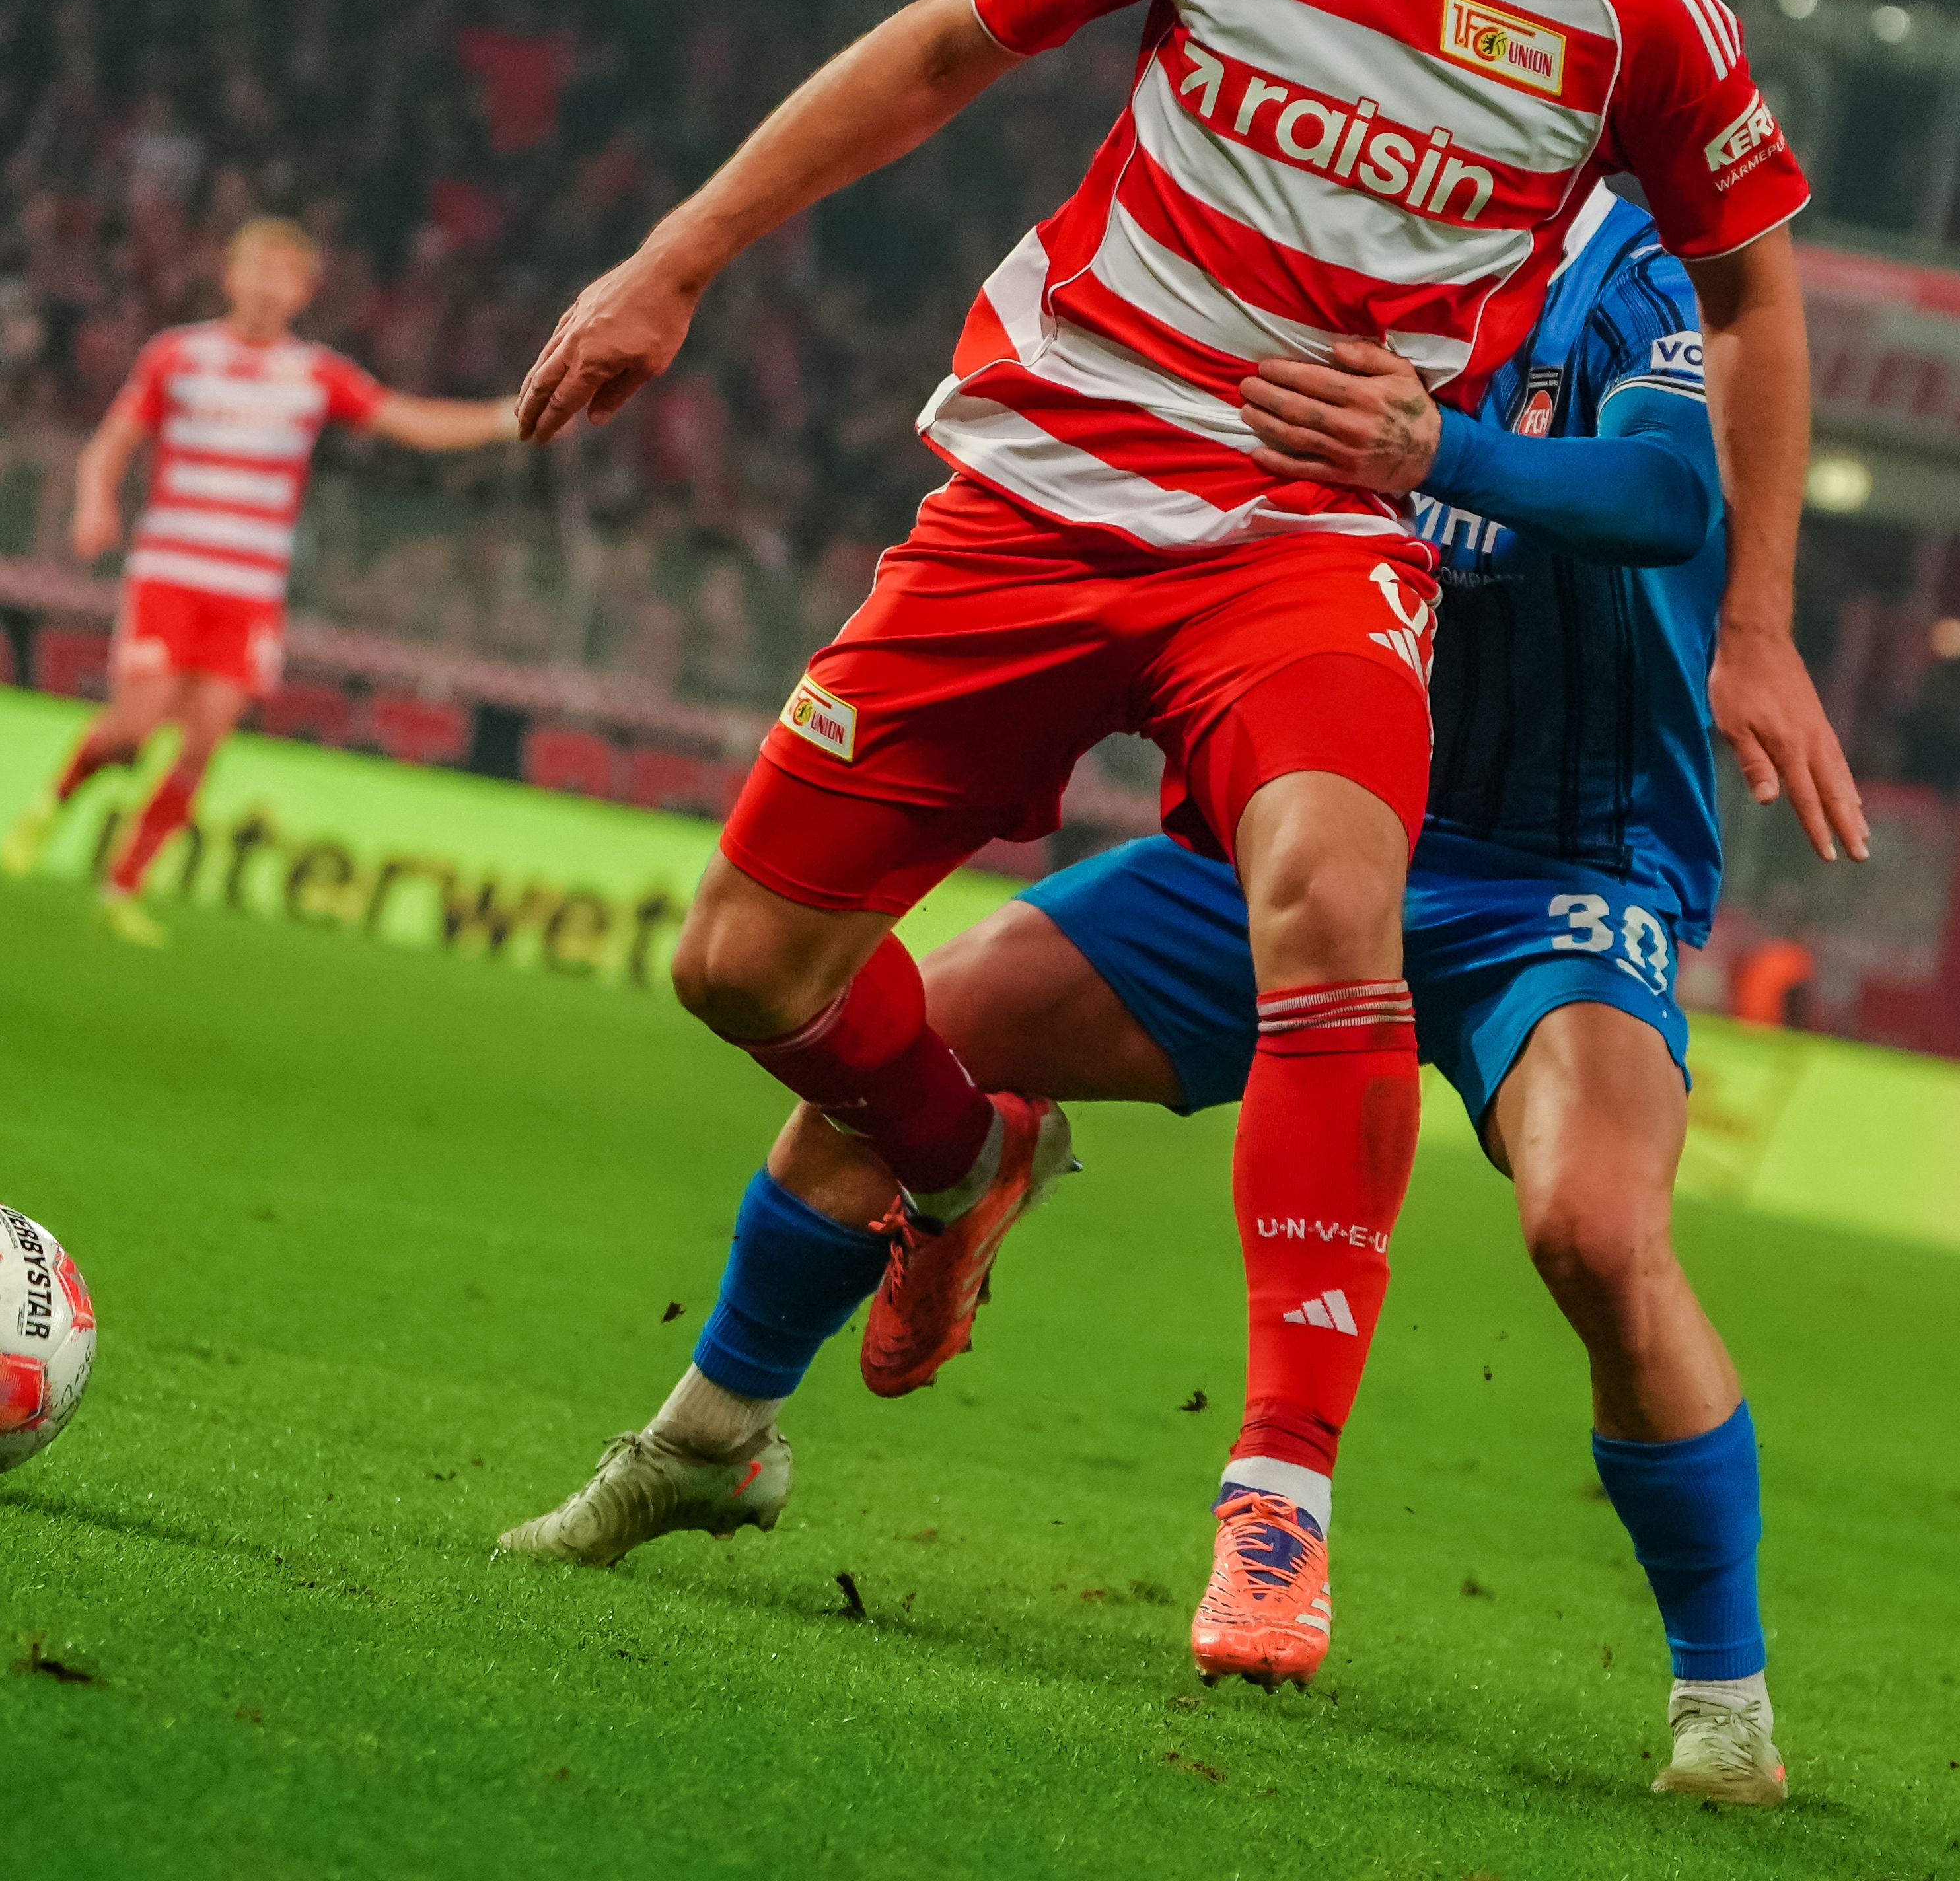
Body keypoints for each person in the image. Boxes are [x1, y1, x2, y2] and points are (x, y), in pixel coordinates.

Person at [503, 0, 1867, 1686]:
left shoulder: (1627, 11)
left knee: (1343, 914)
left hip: (1310, 554)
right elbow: (942, 49)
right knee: (745, 967)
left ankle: (1279, 1512)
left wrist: (1757, 626)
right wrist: (678, 259)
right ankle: (952, 1179)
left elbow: (1754, 304)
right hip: (1042, 488)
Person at [501, 190, 1799, 1799]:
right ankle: (709, 1436)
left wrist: (1442, 453)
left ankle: (1725, 1699)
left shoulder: (1631, 266)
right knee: (912, 1045)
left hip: (1552, 874)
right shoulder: (1340, 213)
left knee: (1593, 1231)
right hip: (1280, 837)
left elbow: (1668, 493)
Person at [0, 217, 517, 942]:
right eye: (258, 268)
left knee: (204, 740)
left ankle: (123, 887)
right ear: (229, 274)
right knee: (135, 727)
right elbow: (112, 442)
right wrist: (94, 502)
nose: (269, 285)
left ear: (306, 292)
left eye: (286, 274)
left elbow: (409, 420)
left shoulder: (314, 374)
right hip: (172, 570)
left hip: (249, 590)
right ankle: (53, 802)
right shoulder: (179, 355)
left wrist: (505, 418)